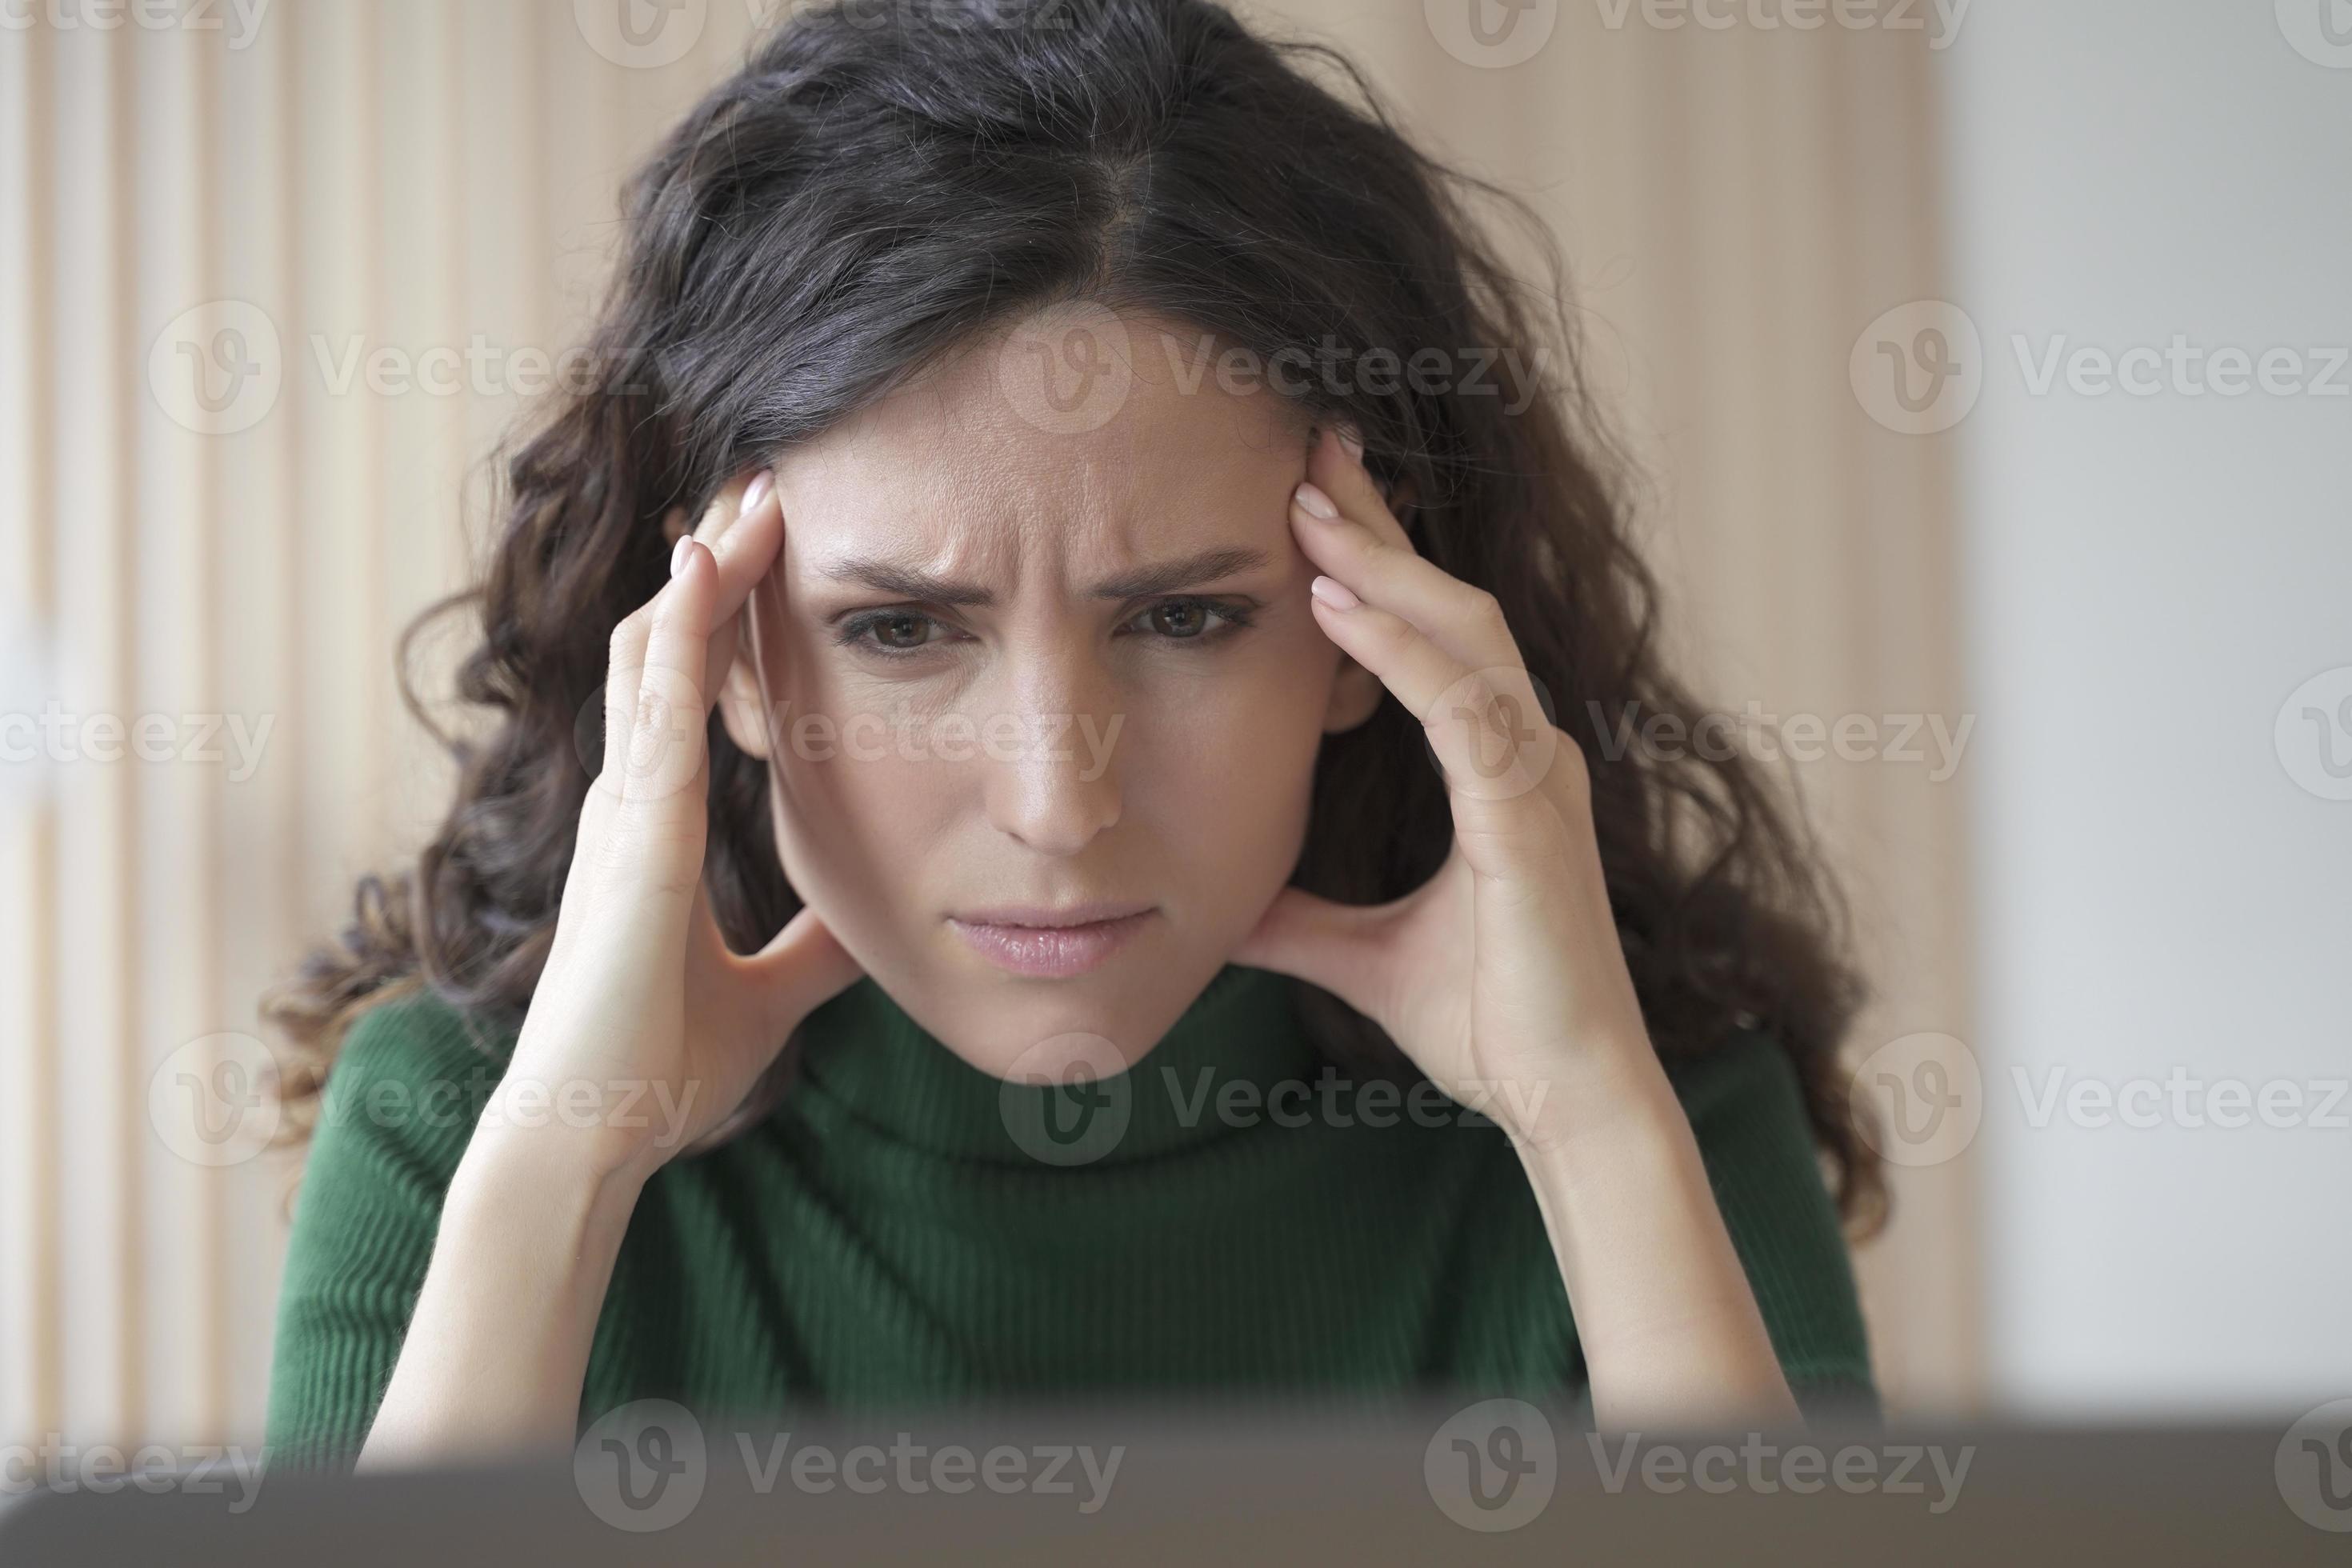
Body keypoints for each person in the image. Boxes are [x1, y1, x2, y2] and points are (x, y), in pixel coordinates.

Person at [262, 0, 1882, 1470]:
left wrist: (1589, 1123)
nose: (1059, 802)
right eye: (900, 629)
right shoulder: (457, 1124)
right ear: (721, 657)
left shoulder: (1646, 1106)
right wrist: (565, 1167)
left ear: (1368, 632)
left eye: (1184, 618)